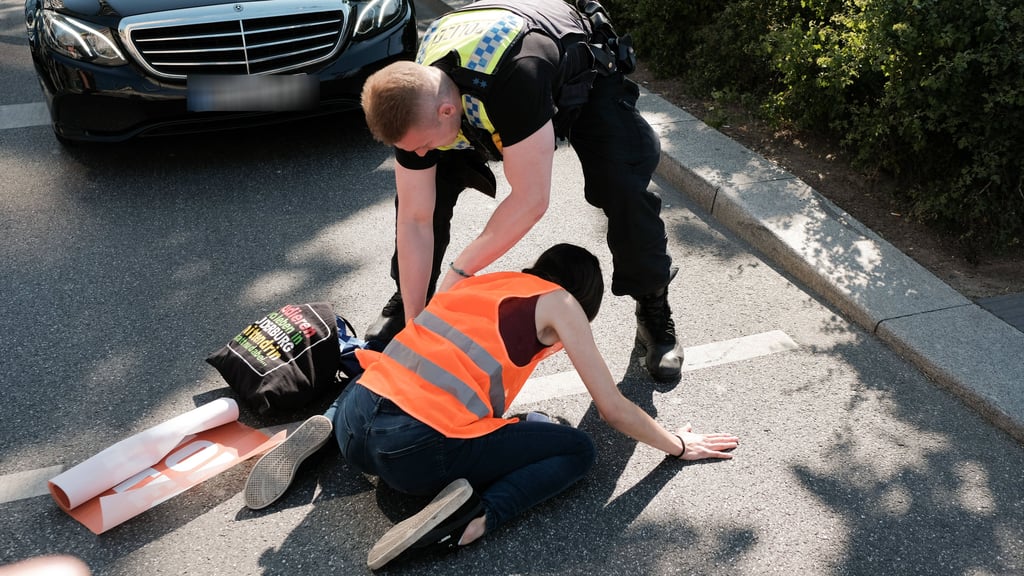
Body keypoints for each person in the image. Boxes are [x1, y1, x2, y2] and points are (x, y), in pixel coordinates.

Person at [243, 244, 739, 570]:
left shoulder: (483, 282)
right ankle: (471, 520)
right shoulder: (560, 304)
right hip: (412, 453)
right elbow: (611, 407)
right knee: (578, 451)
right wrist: (675, 445)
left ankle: (327, 433)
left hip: (357, 413)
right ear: (580, 295)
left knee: (394, 386)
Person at [359, 0, 684, 381]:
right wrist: (416, 327)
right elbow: (415, 218)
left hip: (578, 75)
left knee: (623, 186)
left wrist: (460, 272)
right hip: (481, 81)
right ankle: (409, 305)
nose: (417, 154)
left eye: (420, 145)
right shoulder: (411, 102)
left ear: (448, 112)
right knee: (423, 197)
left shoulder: (516, 78)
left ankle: (653, 307)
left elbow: (531, 200)